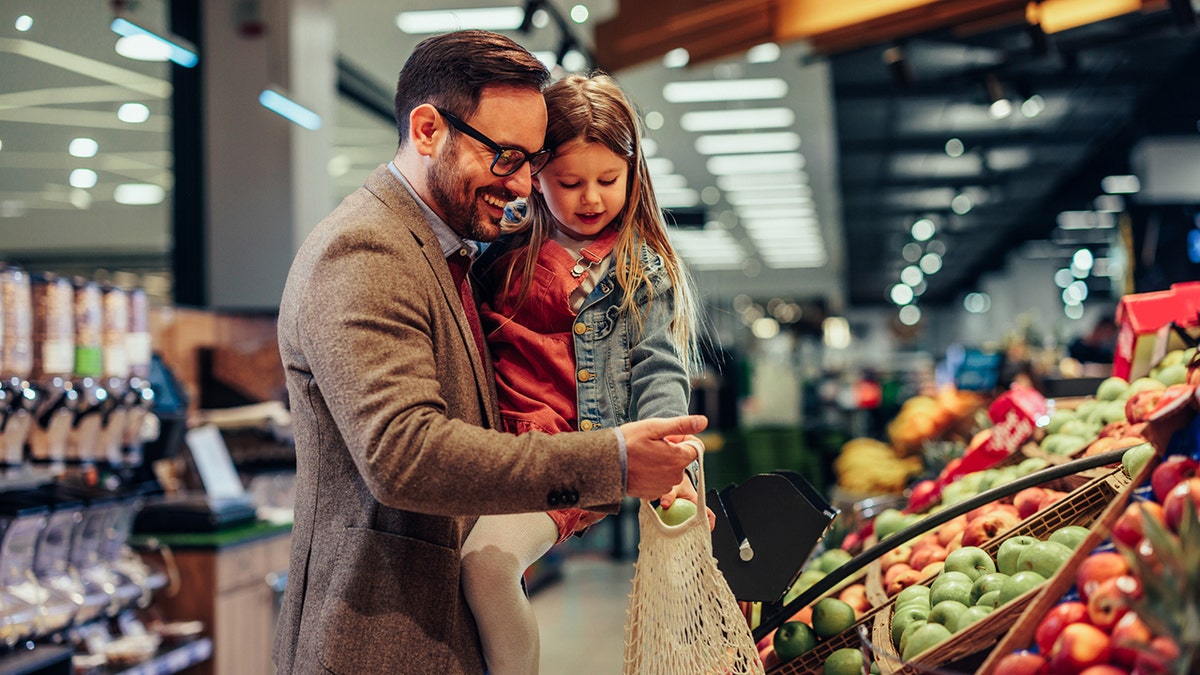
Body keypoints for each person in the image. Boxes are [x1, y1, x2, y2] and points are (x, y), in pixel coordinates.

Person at [273, 31, 706, 675]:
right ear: (427, 129)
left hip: (435, 629)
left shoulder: (457, 250)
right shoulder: (365, 252)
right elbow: (404, 454)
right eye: (507, 157)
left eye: (533, 160)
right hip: (380, 644)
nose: (525, 184)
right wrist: (611, 460)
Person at [459, 72, 704, 675]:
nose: (590, 198)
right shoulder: (499, 244)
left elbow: (657, 368)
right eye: (569, 182)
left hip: (570, 457)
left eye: (607, 180)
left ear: (633, 173)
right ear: (534, 174)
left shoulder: (639, 269)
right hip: (489, 448)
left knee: (486, 566)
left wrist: (675, 457)